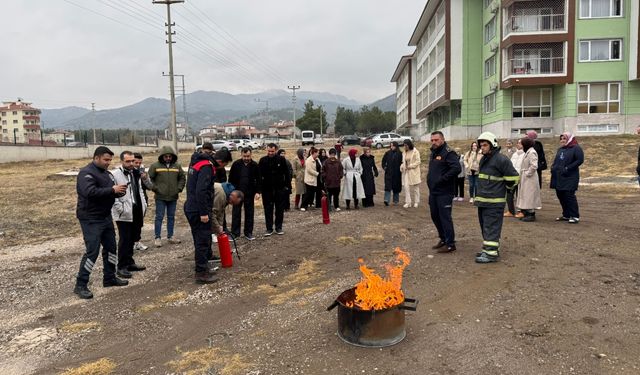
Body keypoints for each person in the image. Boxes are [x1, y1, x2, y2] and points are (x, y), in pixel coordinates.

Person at [73, 146, 129, 299]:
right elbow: (89, 192)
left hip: (105, 217)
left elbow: (107, 191)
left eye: (110, 160)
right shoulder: (86, 173)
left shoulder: (107, 174)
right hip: (90, 218)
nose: (108, 162)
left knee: (111, 248)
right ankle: (81, 284)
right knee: (92, 251)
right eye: (106, 159)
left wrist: (119, 192)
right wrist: (112, 190)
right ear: (96, 158)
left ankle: (109, 277)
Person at [183, 149, 231, 284]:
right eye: (223, 165)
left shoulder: (197, 161)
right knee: (202, 241)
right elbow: (201, 190)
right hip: (198, 210)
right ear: (221, 162)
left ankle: (203, 267)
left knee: (199, 239)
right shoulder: (207, 167)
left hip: (191, 206)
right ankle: (201, 273)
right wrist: (204, 212)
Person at [474, 132, 520, 264]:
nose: (482, 147)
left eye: (485, 145)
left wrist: (508, 191)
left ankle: (491, 254)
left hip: (494, 202)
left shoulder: (501, 159)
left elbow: (513, 178)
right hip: (483, 201)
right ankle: (489, 249)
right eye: (481, 145)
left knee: (491, 227)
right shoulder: (485, 159)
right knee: (485, 227)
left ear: (492, 145)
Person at [111, 151, 148, 280]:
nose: (131, 163)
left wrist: (144, 205)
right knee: (125, 239)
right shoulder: (115, 174)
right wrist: (119, 209)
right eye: (128, 161)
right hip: (124, 212)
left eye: (133, 161)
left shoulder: (135, 173)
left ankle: (130, 262)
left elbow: (140, 190)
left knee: (133, 237)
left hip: (136, 209)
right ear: (122, 161)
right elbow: (113, 194)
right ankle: (121, 266)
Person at [427, 131, 461, 253]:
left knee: (445, 217)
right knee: (435, 216)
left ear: (442, 139)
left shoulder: (448, 152)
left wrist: (442, 179)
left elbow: (456, 168)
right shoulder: (433, 152)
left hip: (444, 192)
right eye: (432, 140)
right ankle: (443, 239)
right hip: (434, 191)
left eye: (436, 140)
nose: (434, 142)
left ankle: (450, 243)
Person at [148, 146, 186, 247]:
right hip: (160, 197)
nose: (168, 158)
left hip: (173, 197)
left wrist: (178, 189)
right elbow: (149, 179)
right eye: (166, 156)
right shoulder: (155, 166)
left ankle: (170, 236)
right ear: (162, 156)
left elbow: (182, 178)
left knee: (171, 217)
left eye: (170, 156)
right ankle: (157, 237)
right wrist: (155, 188)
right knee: (159, 217)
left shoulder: (177, 166)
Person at [550, 132, 584, 224]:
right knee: (560, 195)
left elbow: (580, 160)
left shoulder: (576, 148)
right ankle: (566, 214)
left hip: (570, 176)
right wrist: (553, 167)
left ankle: (574, 215)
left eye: (564, 139)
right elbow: (557, 161)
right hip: (559, 176)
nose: (562, 141)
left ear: (569, 139)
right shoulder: (560, 149)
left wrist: (567, 168)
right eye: (561, 139)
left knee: (569, 195)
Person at [259, 143, 291, 235]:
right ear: (266, 150)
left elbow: (287, 174)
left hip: (279, 189)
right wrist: (259, 189)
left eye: (272, 151)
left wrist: (288, 187)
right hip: (267, 189)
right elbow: (259, 176)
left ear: (276, 150)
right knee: (268, 209)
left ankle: (278, 227)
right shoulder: (262, 160)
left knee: (279, 209)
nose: (270, 153)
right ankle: (269, 228)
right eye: (269, 151)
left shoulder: (281, 160)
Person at [229, 147, 261, 241]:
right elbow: (230, 179)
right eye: (244, 156)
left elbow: (259, 180)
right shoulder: (236, 164)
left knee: (249, 213)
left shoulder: (255, 165)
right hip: (237, 193)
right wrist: (231, 191)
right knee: (236, 213)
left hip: (249, 193)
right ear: (241, 155)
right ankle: (235, 233)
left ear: (251, 155)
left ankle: (248, 233)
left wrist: (258, 192)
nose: (246, 158)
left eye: (248, 156)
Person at [516, 137, 541, 222]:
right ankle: (526, 213)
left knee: (529, 195)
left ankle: (531, 214)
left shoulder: (532, 152)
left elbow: (534, 165)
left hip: (530, 178)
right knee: (525, 195)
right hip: (525, 177)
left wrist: (527, 174)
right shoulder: (527, 152)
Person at [132, 152, 152, 251]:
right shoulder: (127, 173)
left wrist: (145, 179)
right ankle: (130, 242)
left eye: (140, 162)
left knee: (139, 222)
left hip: (141, 200)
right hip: (131, 201)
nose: (138, 165)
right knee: (130, 223)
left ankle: (137, 242)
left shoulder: (142, 172)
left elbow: (150, 187)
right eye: (136, 162)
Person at [505, 139, 525, 218]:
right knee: (509, 195)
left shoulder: (525, 154)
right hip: (512, 178)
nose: (518, 144)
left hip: (521, 178)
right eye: (518, 143)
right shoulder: (515, 154)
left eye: (520, 143)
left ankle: (521, 211)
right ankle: (510, 211)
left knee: (520, 195)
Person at [401, 139, 421, 208]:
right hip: (406, 171)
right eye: (404, 145)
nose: (405, 147)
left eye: (406, 145)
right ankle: (408, 202)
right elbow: (403, 162)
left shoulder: (415, 151)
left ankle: (416, 202)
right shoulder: (404, 152)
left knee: (416, 187)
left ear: (409, 144)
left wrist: (410, 166)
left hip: (414, 172)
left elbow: (418, 161)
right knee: (406, 187)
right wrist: (402, 166)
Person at [381, 141, 402, 206]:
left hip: (397, 173)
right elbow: (383, 161)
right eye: (391, 146)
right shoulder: (387, 153)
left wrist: (401, 169)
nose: (391, 147)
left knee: (396, 187)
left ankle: (396, 201)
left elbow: (402, 162)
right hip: (389, 173)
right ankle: (386, 200)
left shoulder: (400, 154)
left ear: (396, 146)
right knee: (388, 186)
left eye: (393, 146)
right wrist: (384, 167)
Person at [300, 147, 320, 212]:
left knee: (312, 193)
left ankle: (310, 204)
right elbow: (309, 170)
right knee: (308, 193)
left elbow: (320, 166)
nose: (318, 154)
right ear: (314, 153)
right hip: (310, 179)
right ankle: (303, 206)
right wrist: (317, 173)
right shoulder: (309, 160)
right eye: (317, 153)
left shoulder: (317, 159)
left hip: (315, 179)